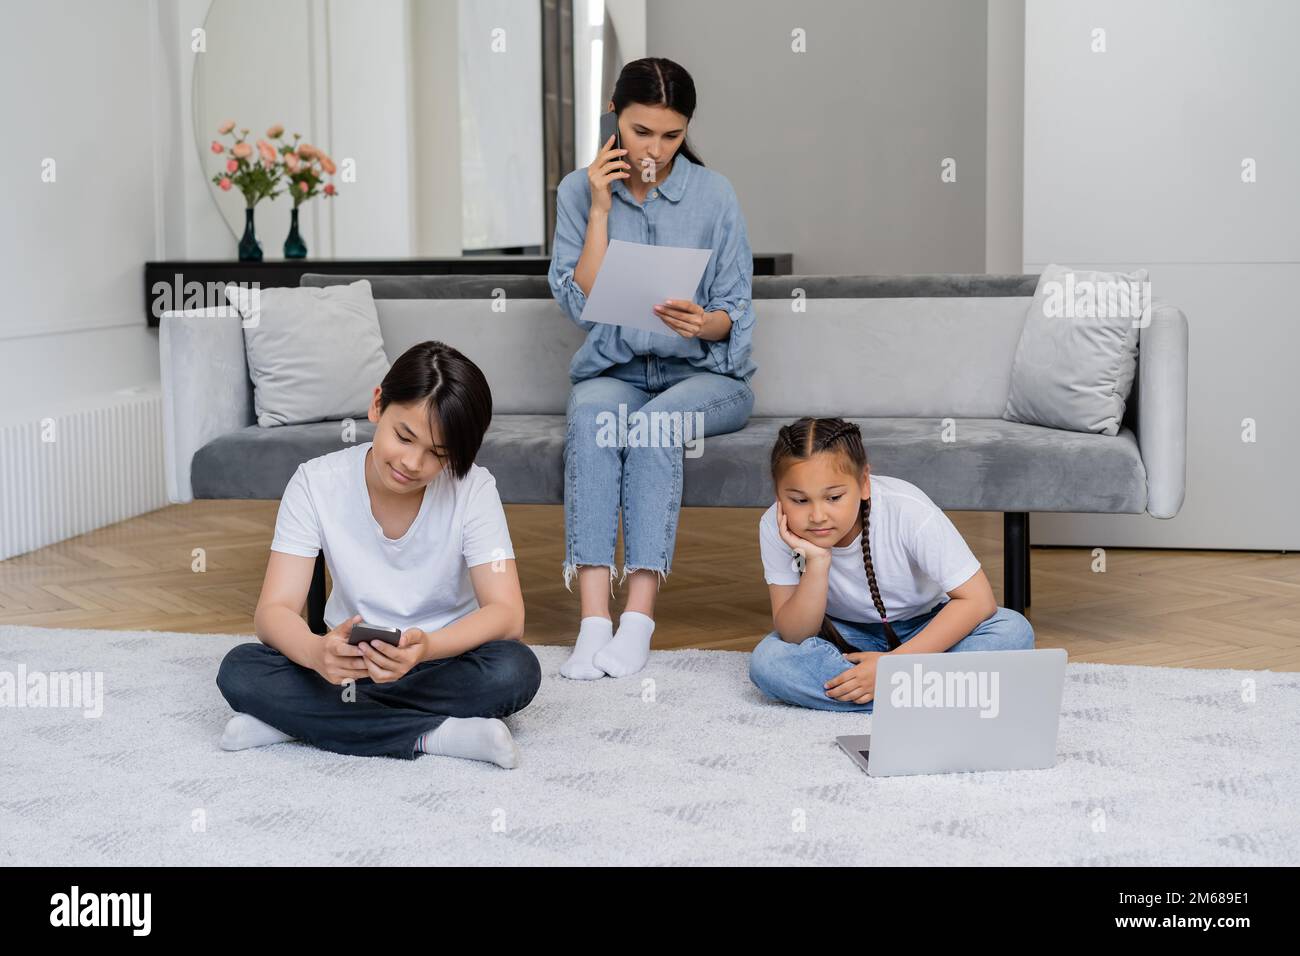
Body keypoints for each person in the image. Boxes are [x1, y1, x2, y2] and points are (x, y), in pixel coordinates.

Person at [215, 341, 540, 767]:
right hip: (344, 665)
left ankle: (294, 722)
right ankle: (437, 735)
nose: (412, 463)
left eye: (438, 455)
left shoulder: (474, 489)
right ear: (377, 405)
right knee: (239, 668)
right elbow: (274, 611)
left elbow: (507, 614)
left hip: (439, 662)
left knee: (514, 670)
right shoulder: (315, 482)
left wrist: (425, 649)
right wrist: (316, 653)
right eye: (404, 436)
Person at [548, 57, 757, 680]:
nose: (656, 150)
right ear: (615, 114)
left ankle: (637, 620)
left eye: (671, 135)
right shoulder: (576, 191)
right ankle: (592, 624)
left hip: (705, 378)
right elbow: (580, 303)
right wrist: (601, 209)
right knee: (590, 420)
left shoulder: (714, 194)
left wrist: (704, 320)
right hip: (616, 371)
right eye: (642, 132)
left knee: (656, 429)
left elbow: (736, 311)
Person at [749, 417, 1034, 711]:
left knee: (1013, 631)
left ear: (863, 484)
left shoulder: (907, 509)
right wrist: (817, 564)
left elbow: (978, 601)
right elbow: (795, 634)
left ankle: (881, 688)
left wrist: (894, 668)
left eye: (834, 497)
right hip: (841, 636)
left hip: (927, 627)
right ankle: (934, 692)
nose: (818, 515)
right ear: (779, 494)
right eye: (799, 500)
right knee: (768, 662)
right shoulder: (775, 526)